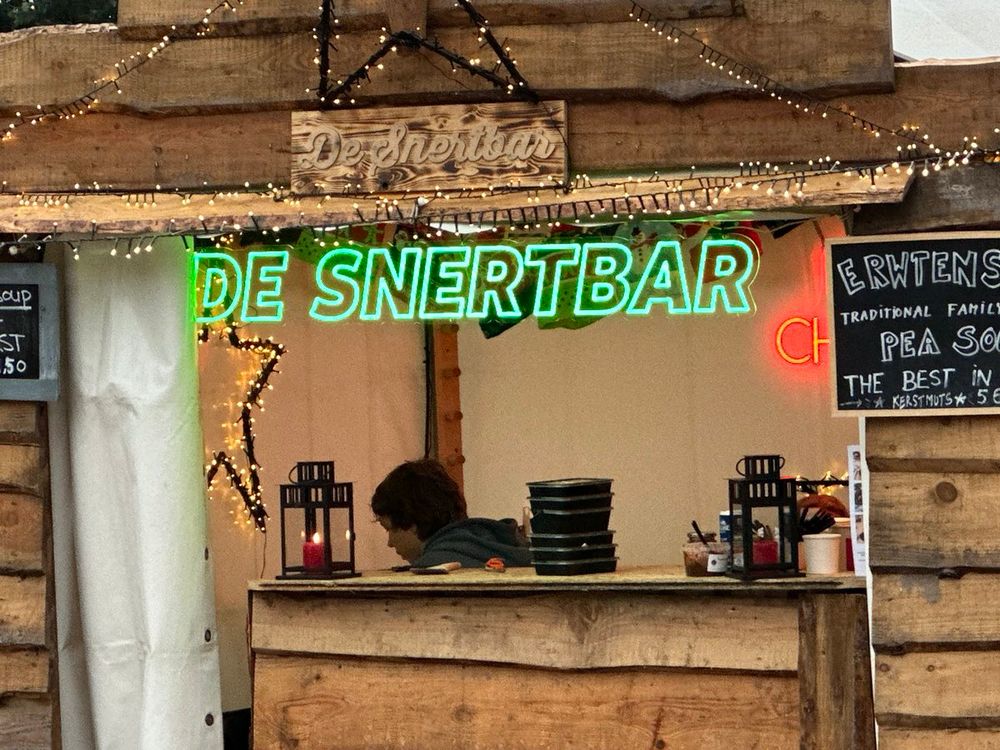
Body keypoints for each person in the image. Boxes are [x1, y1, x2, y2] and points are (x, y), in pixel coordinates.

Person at [371, 458, 531, 568]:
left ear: (412, 523)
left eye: (389, 529)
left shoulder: (433, 569)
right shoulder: (515, 546)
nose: (390, 543)